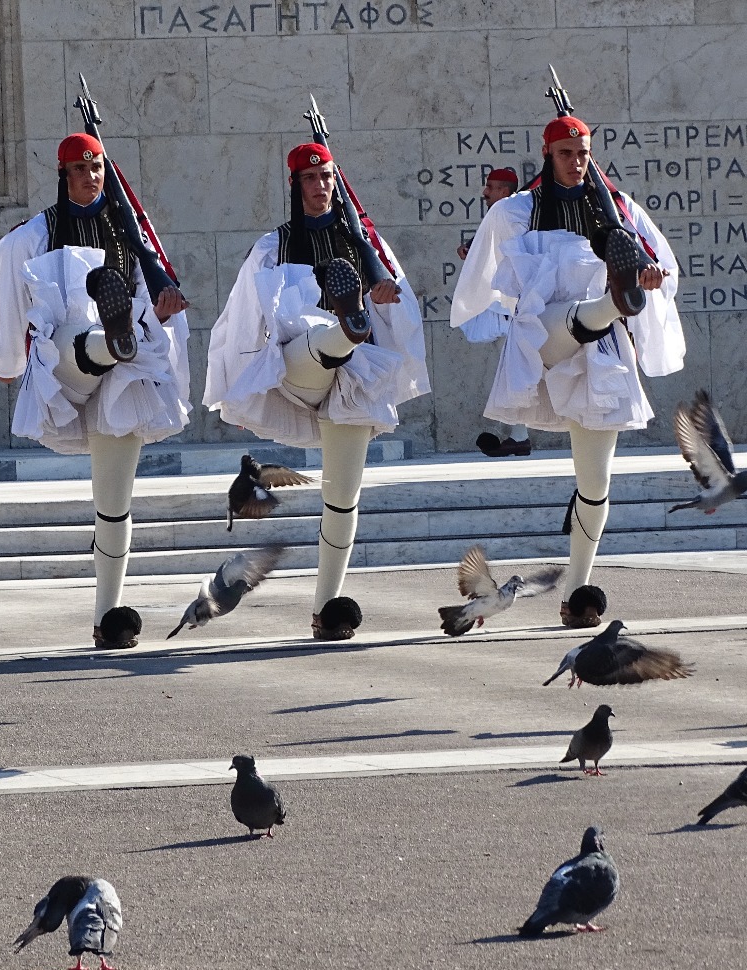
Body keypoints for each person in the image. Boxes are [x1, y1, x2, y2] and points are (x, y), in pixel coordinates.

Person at [0, 132, 192, 649]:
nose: (90, 176)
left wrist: (160, 315)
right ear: (62, 175)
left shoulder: (132, 234)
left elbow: (159, 300)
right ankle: (106, 336)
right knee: (79, 338)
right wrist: (6, 359)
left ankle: (109, 615)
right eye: (79, 169)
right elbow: (11, 293)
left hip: (128, 371)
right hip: (63, 366)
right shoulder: (35, 234)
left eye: (96, 167)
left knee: (114, 503)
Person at [450, 114, 685, 628]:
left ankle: (577, 592)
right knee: (581, 314)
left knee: (595, 482)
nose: (576, 162)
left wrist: (649, 278)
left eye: (583, 153)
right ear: (547, 153)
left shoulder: (619, 208)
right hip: (547, 335)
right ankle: (611, 301)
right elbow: (483, 275)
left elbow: (665, 269)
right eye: (565, 153)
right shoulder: (520, 210)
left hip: (601, 354)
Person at [206, 142, 428, 640]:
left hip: (354, 377)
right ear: (295, 185)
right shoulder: (274, 246)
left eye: (327, 177)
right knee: (319, 342)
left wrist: (386, 296)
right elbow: (239, 321)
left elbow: (403, 314)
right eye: (310, 179)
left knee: (343, 497)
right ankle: (344, 325)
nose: (320, 186)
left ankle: (327, 610)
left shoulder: (365, 242)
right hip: (297, 368)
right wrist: (241, 393)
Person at [454, 166, 531, 458]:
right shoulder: (504, 215)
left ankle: (521, 435)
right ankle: (519, 435)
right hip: (515, 303)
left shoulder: (516, 213)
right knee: (516, 368)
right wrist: (473, 248)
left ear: (505, 190)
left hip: (526, 302)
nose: (485, 193)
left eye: (491, 187)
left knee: (527, 370)